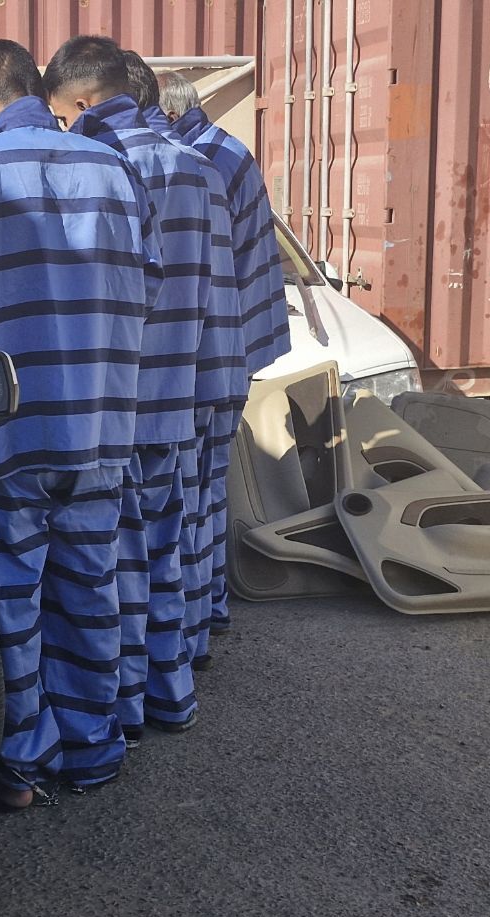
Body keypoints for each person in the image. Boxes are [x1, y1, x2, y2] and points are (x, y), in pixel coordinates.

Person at [0, 39, 162, 807]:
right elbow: (147, 285)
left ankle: (20, 763)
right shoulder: (114, 169)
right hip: (100, 428)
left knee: (12, 602)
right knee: (89, 588)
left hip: (5, 429)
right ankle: (91, 750)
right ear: (40, 93)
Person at [43, 36, 210, 737]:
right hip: (176, 391)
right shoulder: (194, 164)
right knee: (167, 557)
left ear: (84, 102)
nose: (59, 127)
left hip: (116, 401)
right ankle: (172, 696)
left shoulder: (99, 161)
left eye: (60, 115)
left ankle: (128, 708)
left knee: (118, 569)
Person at [123, 53, 249, 672]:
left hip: (171, 371)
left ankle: (168, 657)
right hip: (216, 355)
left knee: (159, 526)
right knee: (198, 508)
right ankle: (198, 631)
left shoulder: (133, 164)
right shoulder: (209, 162)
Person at [165, 72, 293, 645]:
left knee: (187, 496)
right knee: (209, 490)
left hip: (206, 354)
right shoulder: (227, 151)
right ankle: (211, 607)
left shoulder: (195, 162)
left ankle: (191, 626)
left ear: (169, 116)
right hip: (230, 350)